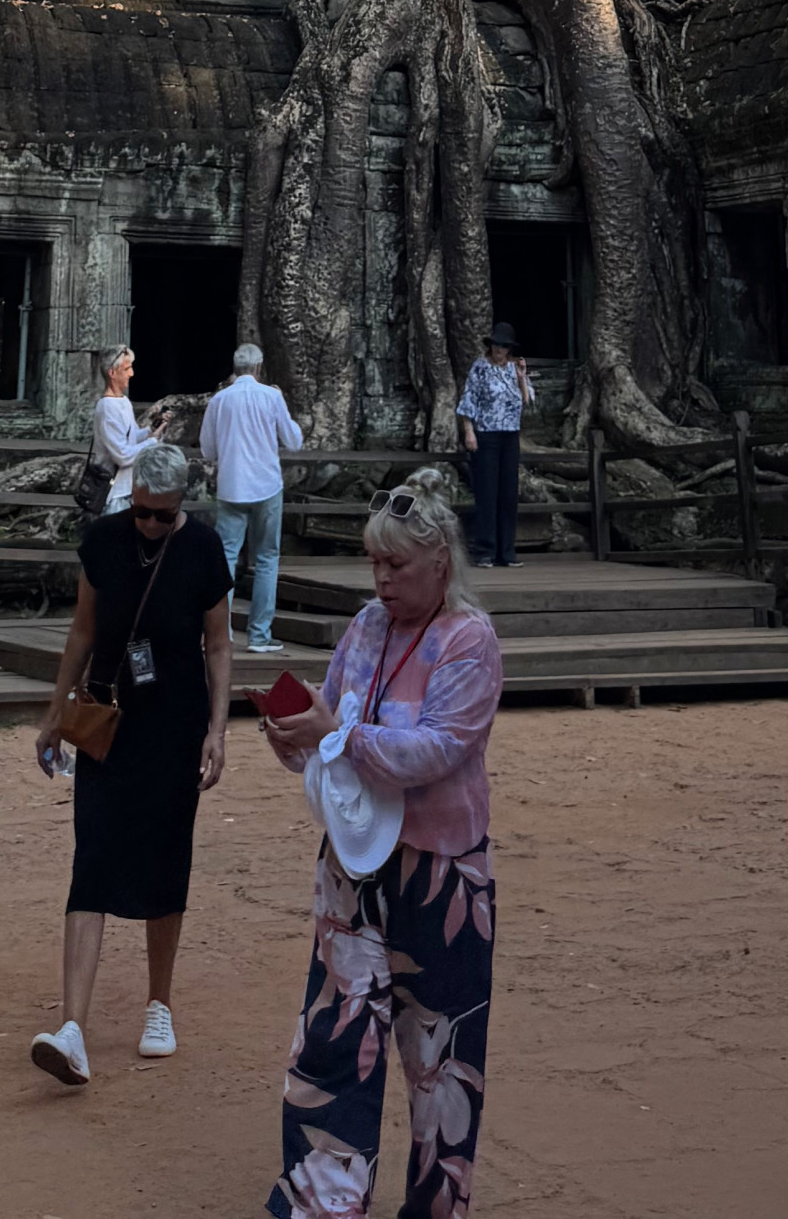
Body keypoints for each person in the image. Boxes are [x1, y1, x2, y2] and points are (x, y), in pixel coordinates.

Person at [260, 464, 504, 1219]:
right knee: (334, 1034)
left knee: (440, 1057)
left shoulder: (470, 641)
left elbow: (434, 751)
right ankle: (320, 1201)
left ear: (441, 563)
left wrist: (336, 733)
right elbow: (334, 720)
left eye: (397, 565)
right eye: (374, 562)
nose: (383, 579)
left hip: (441, 873)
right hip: (353, 862)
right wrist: (298, 735)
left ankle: (436, 1206)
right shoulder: (366, 627)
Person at [31, 439, 231, 1084]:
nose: (150, 524)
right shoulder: (104, 542)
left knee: (165, 858)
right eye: (142, 511)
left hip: (174, 726)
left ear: (181, 509)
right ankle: (72, 1027)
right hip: (108, 722)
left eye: (163, 516)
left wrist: (218, 730)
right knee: (92, 857)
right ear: (131, 497)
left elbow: (219, 647)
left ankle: (159, 1004)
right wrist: (55, 712)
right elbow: (83, 632)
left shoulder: (201, 549)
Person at [200, 340, 303, 653]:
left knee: (226, 559)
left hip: (232, 486)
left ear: (235, 369)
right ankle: (259, 635)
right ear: (259, 368)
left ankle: (222, 632)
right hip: (266, 486)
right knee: (267, 559)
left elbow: (207, 448)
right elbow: (293, 441)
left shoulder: (220, 400)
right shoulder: (271, 397)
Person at [456, 318, 535, 568]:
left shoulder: (515, 368)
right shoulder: (480, 367)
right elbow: (469, 400)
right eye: (496, 346)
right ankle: (485, 551)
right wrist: (469, 432)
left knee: (508, 492)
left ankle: (506, 552)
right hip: (486, 434)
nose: (500, 350)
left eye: (504, 346)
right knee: (487, 492)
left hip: (510, 435)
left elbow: (526, 401)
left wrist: (522, 377)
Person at [88, 345, 148, 517]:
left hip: (128, 487)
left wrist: (152, 431)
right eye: (127, 369)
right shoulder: (107, 407)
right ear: (112, 373)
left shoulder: (124, 401)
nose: (132, 374)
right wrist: (151, 444)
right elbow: (122, 455)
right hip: (113, 493)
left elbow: (132, 437)